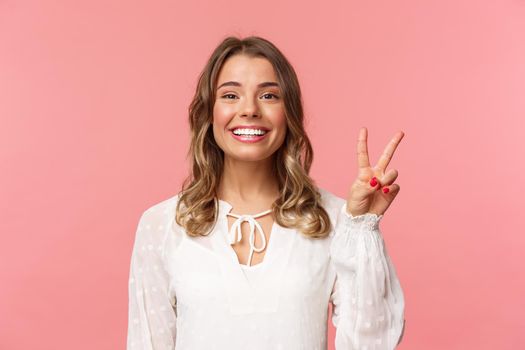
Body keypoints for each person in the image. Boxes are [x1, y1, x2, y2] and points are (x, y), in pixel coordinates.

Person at [126, 35, 406, 350]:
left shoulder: (335, 221)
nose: (249, 109)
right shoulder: (162, 225)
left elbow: (369, 344)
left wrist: (361, 226)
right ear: (209, 112)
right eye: (230, 95)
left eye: (269, 95)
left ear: (290, 113)